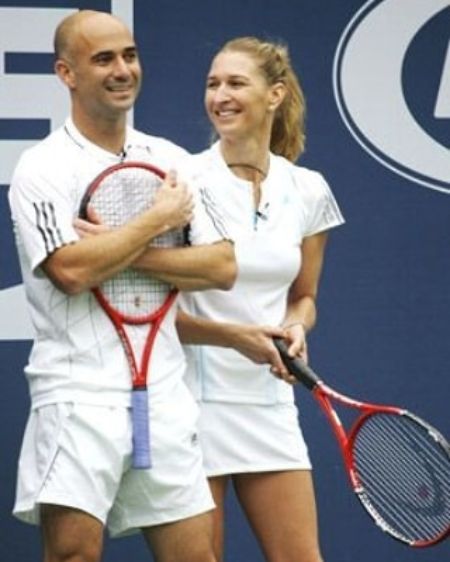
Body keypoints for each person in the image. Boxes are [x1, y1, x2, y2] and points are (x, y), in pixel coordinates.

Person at [8, 10, 237, 562]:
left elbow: (221, 266)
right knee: (73, 555)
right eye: (103, 59)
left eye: (129, 56)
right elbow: (70, 272)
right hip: (77, 395)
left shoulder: (172, 162)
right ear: (66, 73)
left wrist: (121, 248)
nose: (122, 70)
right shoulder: (41, 167)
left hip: (165, 394)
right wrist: (158, 221)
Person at [175, 37, 345, 562]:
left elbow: (305, 296)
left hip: (268, 402)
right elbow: (149, 310)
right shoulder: (182, 181)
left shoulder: (309, 189)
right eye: (212, 84)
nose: (220, 96)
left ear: (275, 94)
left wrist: (296, 326)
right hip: (189, 401)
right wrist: (232, 337)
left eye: (235, 83)